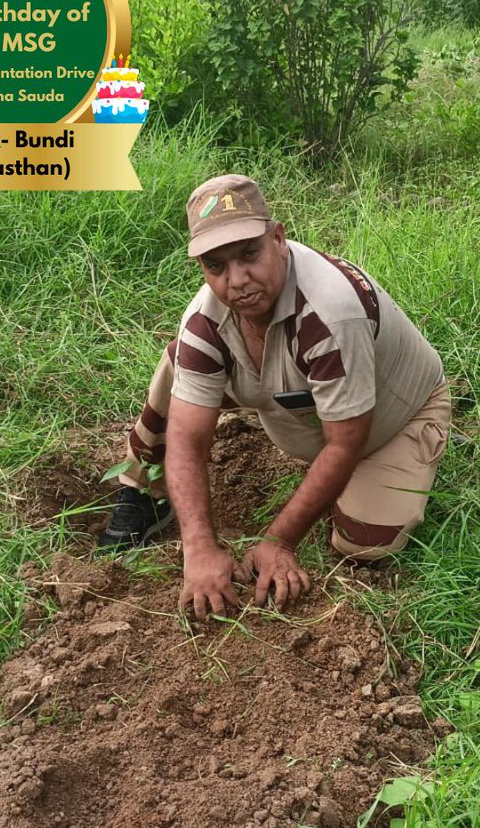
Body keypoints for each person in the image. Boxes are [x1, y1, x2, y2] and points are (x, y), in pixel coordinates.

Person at [98, 174, 450, 619]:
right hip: (296, 400)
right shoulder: (207, 317)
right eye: (216, 265)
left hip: (390, 416)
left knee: (367, 541)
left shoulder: (329, 314)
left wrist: (279, 540)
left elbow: (345, 443)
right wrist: (199, 548)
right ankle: (144, 490)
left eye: (250, 255)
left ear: (278, 238)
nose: (238, 280)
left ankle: (414, 452)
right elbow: (187, 440)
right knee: (181, 364)